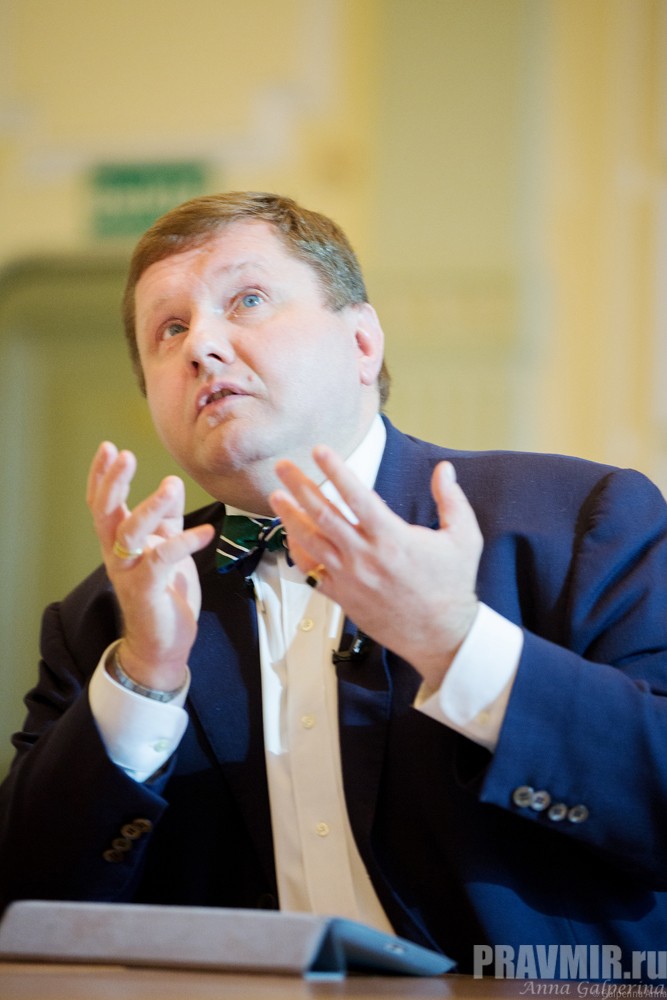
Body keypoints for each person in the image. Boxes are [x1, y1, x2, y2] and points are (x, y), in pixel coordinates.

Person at [1, 191, 667, 981]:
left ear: (361, 342)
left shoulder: (579, 521)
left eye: (247, 300)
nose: (201, 346)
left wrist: (454, 641)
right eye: (169, 329)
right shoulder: (106, 617)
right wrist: (145, 681)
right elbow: (26, 902)